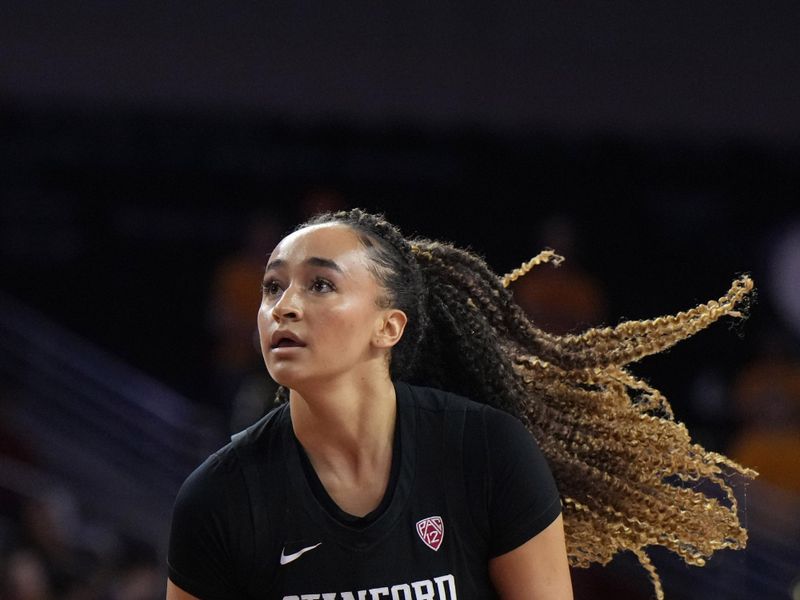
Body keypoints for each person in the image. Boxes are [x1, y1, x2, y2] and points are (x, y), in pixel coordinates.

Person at [166, 209, 754, 600]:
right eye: (273, 287)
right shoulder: (219, 497)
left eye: (320, 284)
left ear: (388, 326)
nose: (283, 307)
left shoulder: (486, 453)